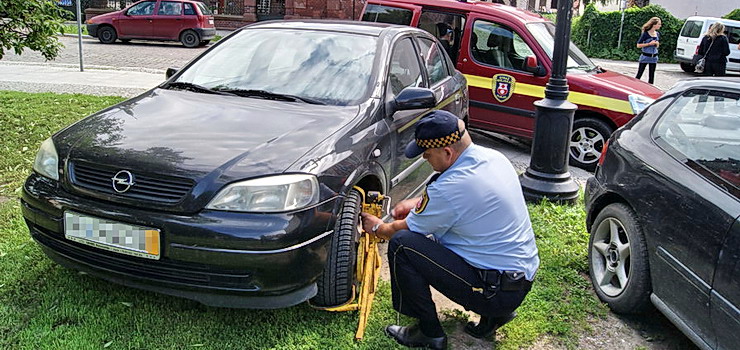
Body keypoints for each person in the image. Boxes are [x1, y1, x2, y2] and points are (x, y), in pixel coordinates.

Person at [360, 110, 539, 350]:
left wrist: (377, 227)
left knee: (403, 244)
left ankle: (428, 333)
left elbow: (400, 229)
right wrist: (414, 204)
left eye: (427, 153)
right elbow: (464, 200)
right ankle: (494, 317)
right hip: (518, 279)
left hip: (494, 291)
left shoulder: (451, 188)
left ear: (447, 152)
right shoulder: (492, 158)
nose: (424, 157)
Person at [635, 17, 661, 84]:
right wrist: (649, 44)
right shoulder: (645, 34)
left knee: (651, 76)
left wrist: (657, 44)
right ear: (654, 25)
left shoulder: (657, 34)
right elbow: (638, 45)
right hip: (645, 56)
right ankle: (634, 86)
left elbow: (657, 46)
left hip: (654, 57)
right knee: (639, 74)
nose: (660, 26)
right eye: (659, 24)